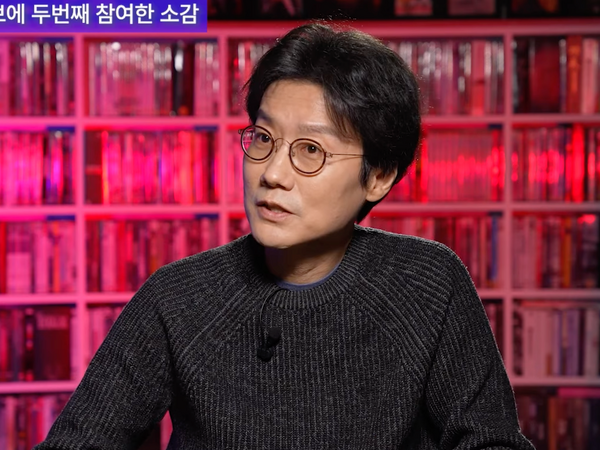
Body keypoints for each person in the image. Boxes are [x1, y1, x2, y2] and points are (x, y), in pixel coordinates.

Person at [34, 22, 535, 450]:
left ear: (379, 176)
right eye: (263, 138)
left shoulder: (428, 283)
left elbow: (492, 441)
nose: (272, 173)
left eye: (311, 150)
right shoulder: (178, 298)